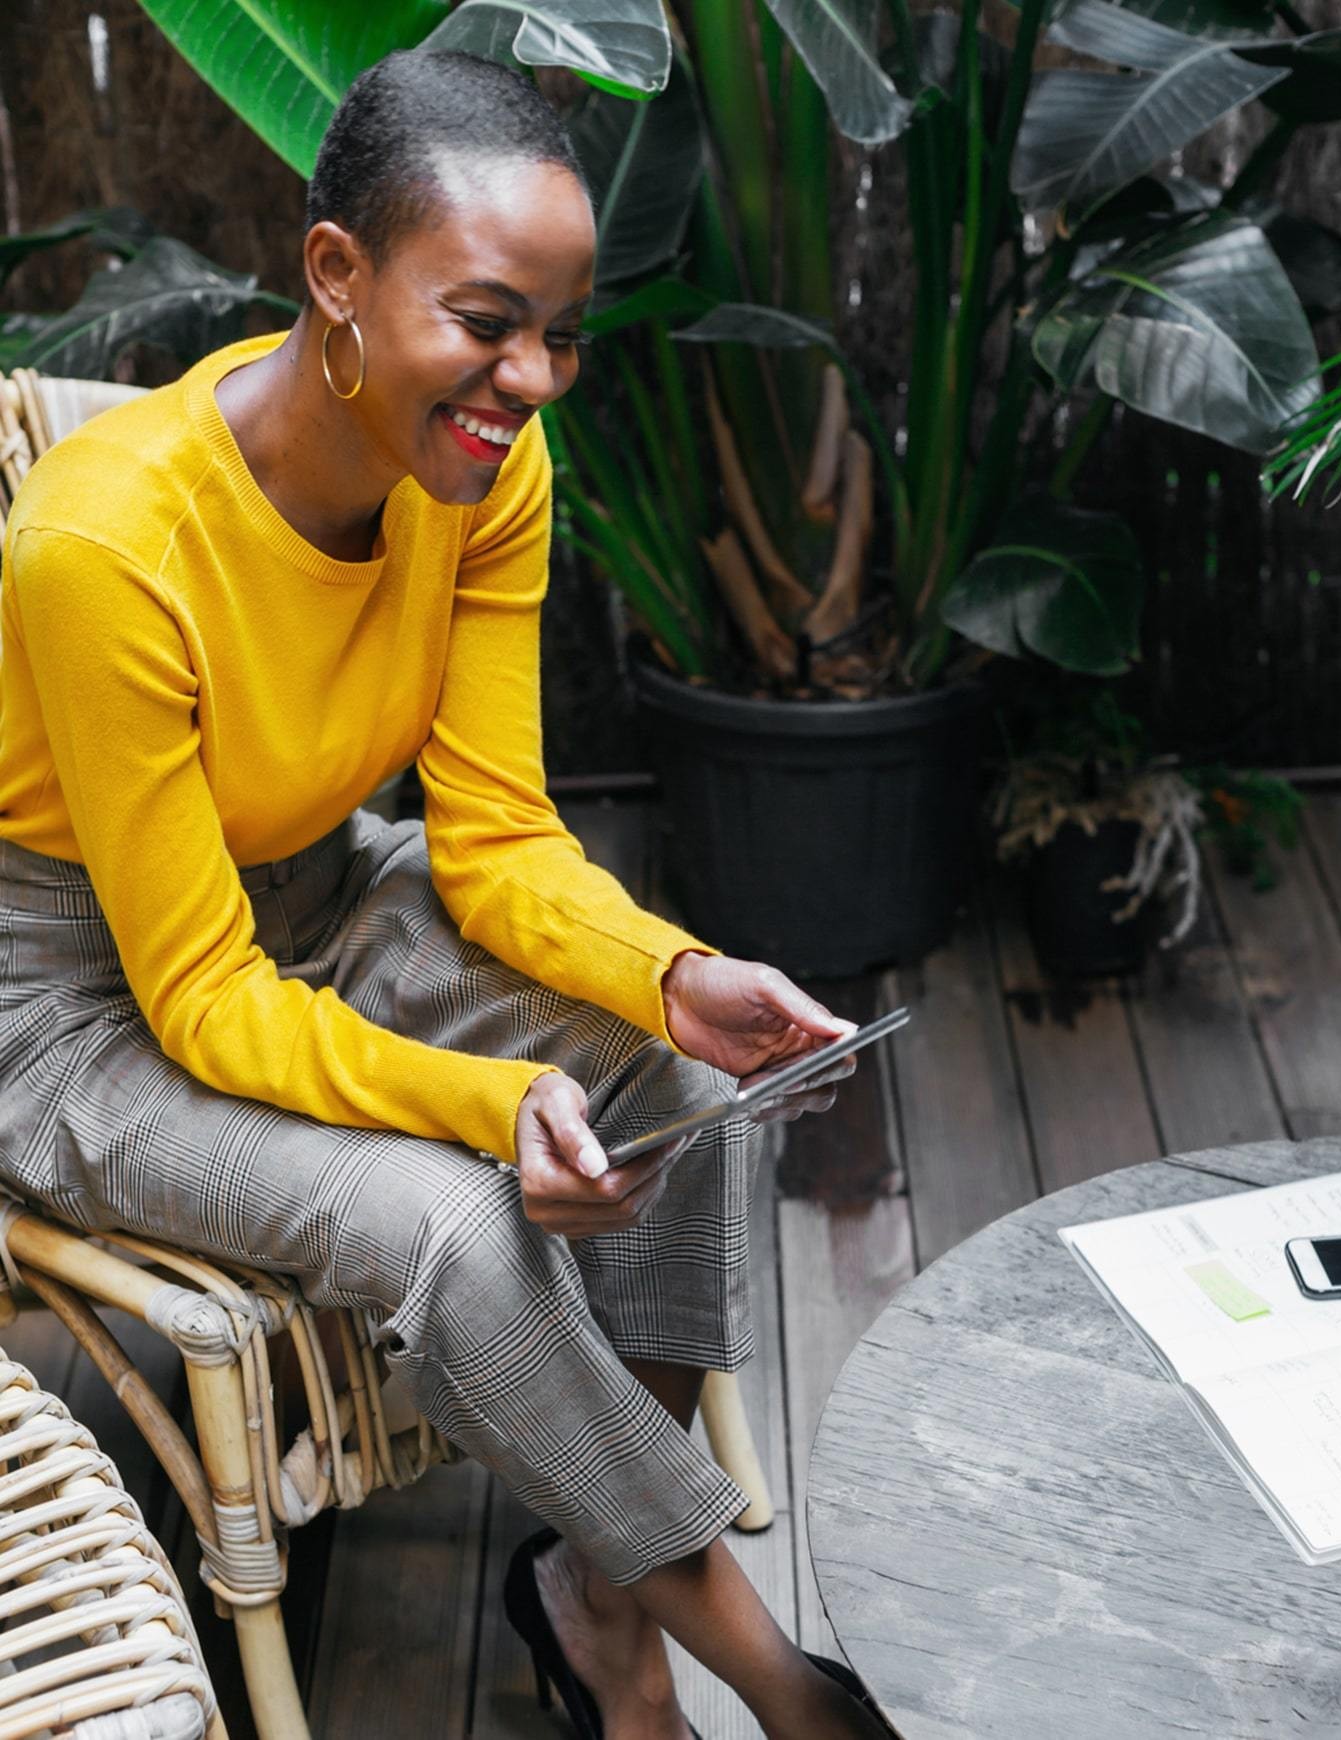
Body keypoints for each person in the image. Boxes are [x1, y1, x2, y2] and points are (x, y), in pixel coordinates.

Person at [0, 48, 894, 1740]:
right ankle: (789, 1692)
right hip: (76, 1002)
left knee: (683, 1082)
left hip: (324, 896)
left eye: (561, 333)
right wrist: (494, 1106)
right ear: (335, 276)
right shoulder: (106, 542)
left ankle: (600, 1606)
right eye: (487, 321)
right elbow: (195, 1000)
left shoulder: (478, 470)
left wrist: (668, 972)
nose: (532, 377)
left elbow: (492, 840)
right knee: (459, 1220)